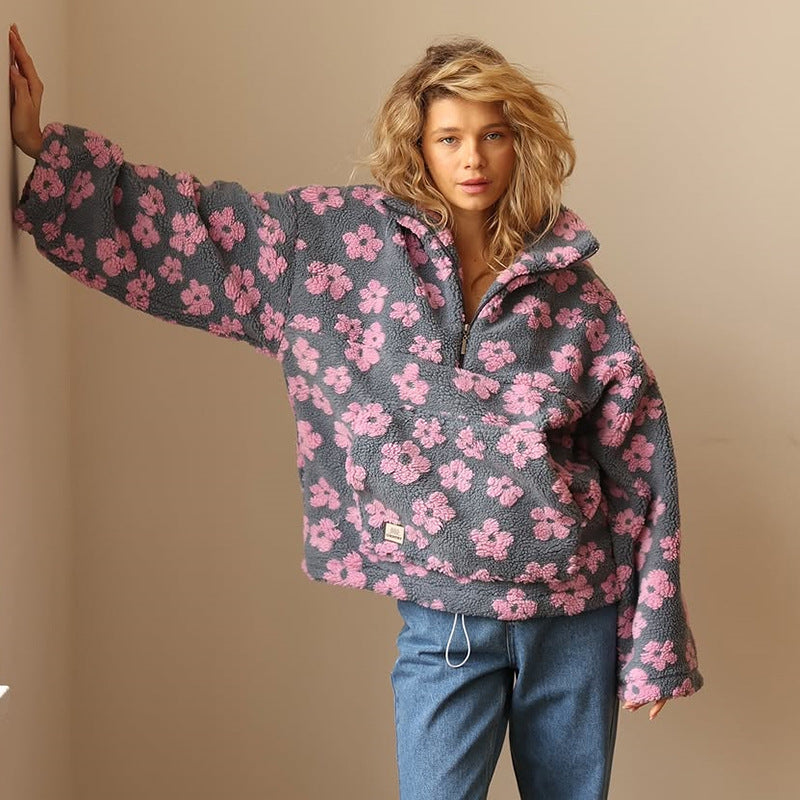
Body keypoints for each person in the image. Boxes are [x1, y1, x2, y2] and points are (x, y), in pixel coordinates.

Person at [10, 24, 703, 800]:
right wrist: (48, 150)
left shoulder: (575, 292)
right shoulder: (335, 246)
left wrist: (652, 643)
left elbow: (643, 469)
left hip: (575, 617)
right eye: (449, 137)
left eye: (493, 135)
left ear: (522, 145)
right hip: (446, 622)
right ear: (419, 144)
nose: (471, 159)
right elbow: (202, 228)